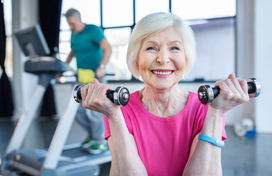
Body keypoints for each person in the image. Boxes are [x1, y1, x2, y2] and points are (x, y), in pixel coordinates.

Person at [79, 12, 249, 175]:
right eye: (151, 48)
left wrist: (218, 113)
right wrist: (113, 115)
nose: (163, 59)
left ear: (186, 58)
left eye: (174, 48)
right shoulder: (119, 109)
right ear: (136, 59)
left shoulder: (206, 108)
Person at [64, 8, 112, 154]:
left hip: (96, 75)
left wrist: (101, 66)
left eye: (72, 23)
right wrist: (63, 66)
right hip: (81, 77)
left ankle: (99, 141)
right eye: (69, 24)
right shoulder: (74, 34)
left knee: (96, 109)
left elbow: (107, 48)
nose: (71, 27)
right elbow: (73, 51)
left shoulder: (92, 30)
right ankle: (93, 135)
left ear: (79, 19)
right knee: (77, 109)